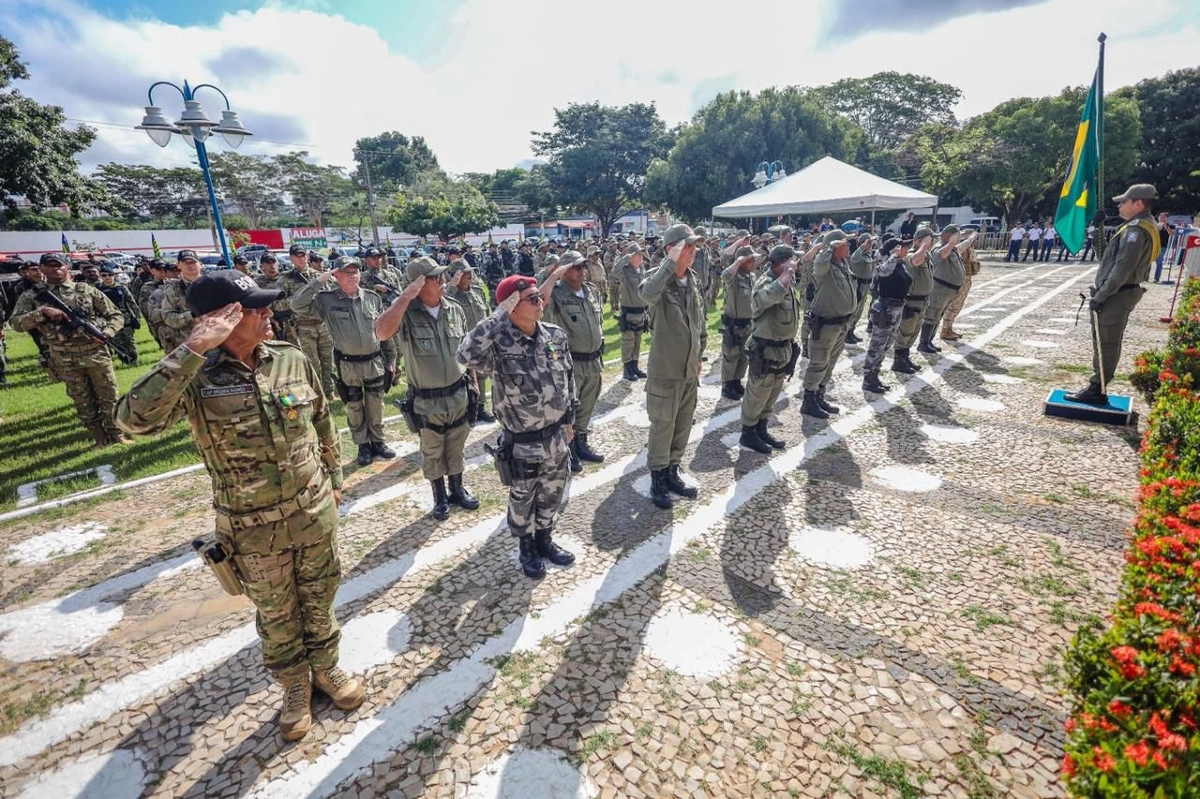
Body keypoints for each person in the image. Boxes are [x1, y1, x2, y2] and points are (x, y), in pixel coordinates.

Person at [116, 270, 363, 741]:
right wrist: (191, 350)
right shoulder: (194, 373)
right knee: (277, 614)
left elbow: (321, 422)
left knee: (320, 600)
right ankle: (294, 686)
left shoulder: (289, 358)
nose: (269, 314)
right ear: (221, 319)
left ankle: (327, 670)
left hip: (312, 514)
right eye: (255, 309)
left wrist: (334, 478)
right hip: (253, 529)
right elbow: (133, 422)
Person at [456, 275, 578, 579]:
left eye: (540, 297)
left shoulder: (555, 336)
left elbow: (569, 379)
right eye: (532, 299)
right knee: (523, 497)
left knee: (553, 493)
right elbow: (464, 355)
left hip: (556, 435)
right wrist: (498, 314)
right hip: (522, 440)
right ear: (512, 306)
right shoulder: (498, 344)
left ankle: (545, 539)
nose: (540, 302)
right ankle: (527, 547)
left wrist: (570, 420)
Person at [376, 256, 479, 520]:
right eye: (434, 277)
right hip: (427, 399)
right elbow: (381, 332)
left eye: (441, 275)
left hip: (458, 393)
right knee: (433, 450)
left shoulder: (454, 308)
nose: (442, 280)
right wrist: (404, 298)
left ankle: (457, 489)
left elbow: (466, 350)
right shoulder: (406, 313)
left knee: (457, 444)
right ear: (417, 284)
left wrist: (475, 385)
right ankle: (440, 496)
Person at [10, 253, 129, 446]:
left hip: (94, 352)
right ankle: (98, 436)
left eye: (59, 265)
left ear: (67, 268)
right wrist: (40, 313)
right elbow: (15, 323)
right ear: (42, 269)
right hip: (63, 356)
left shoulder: (86, 290)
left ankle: (116, 434)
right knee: (82, 398)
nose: (55, 269)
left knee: (109, 395)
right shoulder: (32, 296)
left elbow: (115, 315)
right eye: (49, 266)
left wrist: (107, 332)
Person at [291, 256, 397, 468]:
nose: (353, 276)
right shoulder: (326, 300)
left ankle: (378, 441)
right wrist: (319, 280)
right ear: (336, 275)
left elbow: (383, 330)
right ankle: (363, 445)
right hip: (348, 364)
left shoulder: (372, 298)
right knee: (355, 406)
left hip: (374, 361)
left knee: (376, 404)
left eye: (355, 271)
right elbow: (297, 304)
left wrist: (391, 357)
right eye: (347, 272)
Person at [1066, 184, 1160, 405]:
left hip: (1117, 294)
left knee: (1107, 342)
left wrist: (1101, 296)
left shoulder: (1136, 231)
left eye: (1123, 202)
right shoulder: (1133, 227)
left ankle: (1097, 388)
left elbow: (1122, 268)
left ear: (1138, 203)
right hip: (1117, 292)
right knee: (1103, 339)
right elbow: (1107, 257)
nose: (1119, 205)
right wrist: (1097, 229)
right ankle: (1097, 384)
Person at [639, 224, 706, 510]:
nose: (693, 252)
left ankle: (673, 470)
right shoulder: (655, 281)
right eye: (686, 246)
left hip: (689, 370)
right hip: (665, 371)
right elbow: (646, 295)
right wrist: (669, 263)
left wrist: (700, 357)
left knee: (682, 425)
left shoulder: (692, 280)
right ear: (670, 249)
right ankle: (657, 476)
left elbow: (698, 325)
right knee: (663, 426)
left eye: (694, 247)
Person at [542, 250, 605, 471]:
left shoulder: (592, 292)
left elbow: (599, 322)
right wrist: (552, 277)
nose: (582, 270)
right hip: (571, 363)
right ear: (565, 270)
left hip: (594, 361)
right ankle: (568, 451)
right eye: (577, 267)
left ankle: (581, 443)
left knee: (587, 405)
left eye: (583, 266)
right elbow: (540, 303)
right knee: (568, 409)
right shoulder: (558, 294)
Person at [739, 244, 800, 453]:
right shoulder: (766, 282)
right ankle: (748, 433)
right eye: (792, 261)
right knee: (757, 393)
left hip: (782, 349)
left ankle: (761, 428)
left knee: (772, 393)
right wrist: (786, 275)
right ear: (782, 263)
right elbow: (765, 299)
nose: (795, 264)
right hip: (765, 350)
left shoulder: (787, 282)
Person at [801, 231, 856, 419]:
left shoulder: (842, 264)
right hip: (826, 325)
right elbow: (818, 265)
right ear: (834, 247)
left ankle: (819, 396)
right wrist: (829, 246)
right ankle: (808, 401)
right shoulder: (825, 266)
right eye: (844, 244)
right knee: (818, 362)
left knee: (830, 363)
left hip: (841, 323)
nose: (848, 247)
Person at [445, 257, 496, 423]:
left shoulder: (477, 291)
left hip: (482, 340)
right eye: (464, 273)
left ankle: (481, 407)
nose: (469, 275)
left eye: (470, 272)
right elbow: (443, 300)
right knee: (465, 377)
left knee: (483, 375)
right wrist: (452, 283)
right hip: (462, 342)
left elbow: (486, 313)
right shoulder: (451, 294)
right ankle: (469, 409)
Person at [861, 238, 913, 394]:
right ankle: (868, 379)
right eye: (902, 247)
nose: (906, 249)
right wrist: (894, 256)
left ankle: (875, 375)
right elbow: (883, 272)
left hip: (897, 307)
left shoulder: (901, 264)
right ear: (894, 250)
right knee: (877, 345)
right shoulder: (886, 264)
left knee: (886, 344)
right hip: (886, 308)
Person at [282, 247, 336, 397]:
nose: (301, 258)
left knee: (328, 361)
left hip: (323, 324)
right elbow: (277, 304)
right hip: (304, 326)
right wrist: (299, 299)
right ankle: (317, 394)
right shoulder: (286, 279)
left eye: (303, 255)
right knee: (312, 363)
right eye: (297, 256)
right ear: (291, 258)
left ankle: (329, 391)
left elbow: (333, 293)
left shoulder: (318, 276)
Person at [919, 225, 977, 354]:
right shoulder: (940, 248)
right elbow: (941, 255)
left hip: (949, 290)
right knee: (931, 316)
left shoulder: (952, 248)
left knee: (938, 316)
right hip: (939, 289)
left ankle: (929, 341)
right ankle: (923, 343)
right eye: (956, 236)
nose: (958, 239)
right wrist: (951, 242)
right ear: (947, 236)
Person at [892, 228, 935, 374]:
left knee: (913, 332)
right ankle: (898, 360)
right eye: (927, 239)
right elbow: (916, 261)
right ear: (918, 240)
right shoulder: (912, 254)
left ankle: (905, 357)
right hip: (911, 302)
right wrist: (923, 245)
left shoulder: (926, 255)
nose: (930, 243)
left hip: (922, 301)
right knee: (905, 331)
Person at [719, 245, 757, 400]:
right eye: (750, 260)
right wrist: (738, 261)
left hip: (749, 323)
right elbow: (725, 276)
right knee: (731, 355)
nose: (753, 262)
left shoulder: (751, 277)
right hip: (734, 324)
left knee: (744, 356)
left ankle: (736, 381)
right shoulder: (733, 278)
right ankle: (727, 385)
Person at [614, 243, 649, 382]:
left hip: (641, 311)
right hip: (629, 312)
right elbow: (614, 271)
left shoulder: (641, 269)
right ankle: (627, 369)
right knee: (628, 341)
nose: (640, 257)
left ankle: (635, 366)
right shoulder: (625, 270)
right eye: (637, 254)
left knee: (637, 341)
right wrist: (626, 257)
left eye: (641, 254)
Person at [159, 249, 204, 353]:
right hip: (190, 343)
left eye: (193, 262)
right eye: (185, 262)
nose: (190, 265)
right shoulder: (173, 288)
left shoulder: (213, 283)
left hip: (218, 340)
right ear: (178, 265)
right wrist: (191, 316)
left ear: (200, 264)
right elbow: (167, 316)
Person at [97, 264, 141, 364]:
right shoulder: (98, 290)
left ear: (113, 276)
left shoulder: (121, 287)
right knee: (117, 341)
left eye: (109, 275)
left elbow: (132, 302)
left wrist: (137, 317)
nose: (107, 277)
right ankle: (125, 360)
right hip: (109, 319)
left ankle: (134, 360)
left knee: (129, 340)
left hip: (125, 318)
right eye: (104, 275)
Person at [941, 236, 981, 341]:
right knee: (954, 305)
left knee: (959, 306)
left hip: (967, 279)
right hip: (961, 280)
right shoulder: (961, 248)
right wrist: (970, 239)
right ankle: (945, 329)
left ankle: (949, 328)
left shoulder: (970, 249)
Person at [846, 233, 877, 344]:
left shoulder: (867, 255)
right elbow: (854, 258)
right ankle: (847, 334)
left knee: (859, 311)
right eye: (869, 242)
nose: (871, 244)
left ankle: (851, 331)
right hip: (858, 285)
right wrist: (862, 246)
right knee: (854, 310)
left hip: (865, 286)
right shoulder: (858, 254)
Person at [1153, 213, 1174, 282]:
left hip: (1163, 246)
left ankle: (1156, 278)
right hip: (1153, 245)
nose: (1162, 218)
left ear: (1167, 218)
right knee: (1148, 261)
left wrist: (1166, 227)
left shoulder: (1170, 226)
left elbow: (1172, 234)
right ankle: (1145, 277)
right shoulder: (1155, 225)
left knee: (1159, 262)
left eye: (1163, 217)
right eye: (1160, 217)